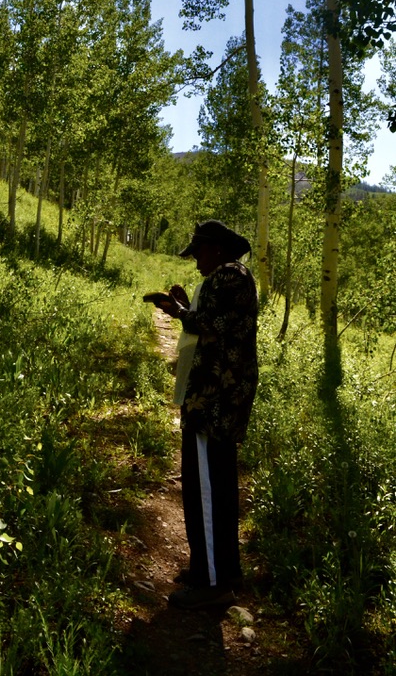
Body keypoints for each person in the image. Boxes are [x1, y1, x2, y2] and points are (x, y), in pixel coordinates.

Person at [144, 219, 259, 610]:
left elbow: (214, 327)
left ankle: (212, 582)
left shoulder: (230, 275)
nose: (196, 263)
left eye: (198, 254)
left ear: (218, 249)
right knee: (214, 488)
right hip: (215, 402)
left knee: (207, 492)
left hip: (214, 403)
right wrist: (186, 305)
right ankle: (214, 568)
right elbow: (217, 324)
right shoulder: (232, 277)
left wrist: (177, 311)